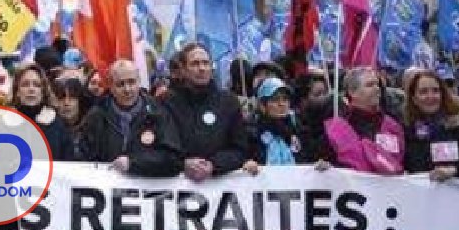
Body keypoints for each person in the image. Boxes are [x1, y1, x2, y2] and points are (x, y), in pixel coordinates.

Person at [161, 43, 249, 181]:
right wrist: (182, 164)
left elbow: (240, 149)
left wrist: (214, 165)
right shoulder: (166, 102)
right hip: (176, 189)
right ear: (183, 69)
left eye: (206, 63)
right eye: (195, 64)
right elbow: (159, 148)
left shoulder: (228, 102)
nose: (201, 68)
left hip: (219, 191)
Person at [79, 60, 182, 176]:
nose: (127, 89)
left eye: (131, 82)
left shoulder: (157, 113)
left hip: (148, 191)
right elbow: (83, 159)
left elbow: (173, 159)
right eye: (120, 84)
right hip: (106, 188)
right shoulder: (96, 116)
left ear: (139, 82)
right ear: (111, 86)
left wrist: (133, 163)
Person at [307, 67, 404, 174]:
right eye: (370, 85)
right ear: (352, 92)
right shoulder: (336, 130)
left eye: (377, 84)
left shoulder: (393, 126)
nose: (377, 88)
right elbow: (321, 163)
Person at [402, 70, 459, 181]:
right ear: (414, 99)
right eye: (423, 92)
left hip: (458, 195)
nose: (430, 96)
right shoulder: (407, 129)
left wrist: (455, 170)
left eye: (435, 91)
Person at [11, 63, 75, 161]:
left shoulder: (57, 125)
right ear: (17, 92)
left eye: (36, 85)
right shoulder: (4, 124)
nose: (31, 89)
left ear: (43, 91)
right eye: (25, 84)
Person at [244, 77, 306, 173]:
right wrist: (248, 163)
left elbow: (308, 159)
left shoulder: (298, 128)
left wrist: (319, 165)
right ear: (262, 105)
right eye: (275, 100)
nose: (281, 104)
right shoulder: (252, 132)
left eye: (285, 99)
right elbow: (243, 158)